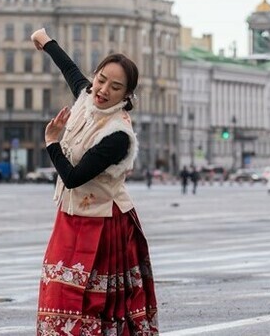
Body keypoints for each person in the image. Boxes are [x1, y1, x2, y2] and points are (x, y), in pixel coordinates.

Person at [31, 28, 158, 335]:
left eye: (115, 87)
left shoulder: (116, 135)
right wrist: (46, 42)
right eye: (101, 79)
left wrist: (51, 142)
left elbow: (73, 178)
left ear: (126, 96)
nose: (102, 90)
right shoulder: (87, 96)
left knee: (96, 297)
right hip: (72, 215)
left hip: (104, 221)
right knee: (59, 286)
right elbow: (70, 70)